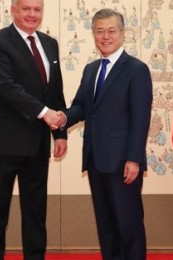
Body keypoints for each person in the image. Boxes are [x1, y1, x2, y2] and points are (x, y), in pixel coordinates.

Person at [58, 8, 153, 260]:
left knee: (129, 225)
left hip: (123, 162)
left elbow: (140, 118)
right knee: (107, 227)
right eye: (100, 31)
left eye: (111, 30)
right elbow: (81, 106)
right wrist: (63, 118)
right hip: (96, 160)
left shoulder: (136, 69)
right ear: (94, 35)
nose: (105, 36)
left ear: (122, 33)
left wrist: (134, 159)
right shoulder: (91, 70)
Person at [0, 0, 67, 259]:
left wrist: (59, 134)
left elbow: (55, 91)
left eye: (37, 9)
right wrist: (45, 113)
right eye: (26, 9)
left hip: (37, 143)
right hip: (2, 143)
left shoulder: (50, 43)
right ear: (14, 11)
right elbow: (5, 86)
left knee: (36, 212)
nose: (32, 14)